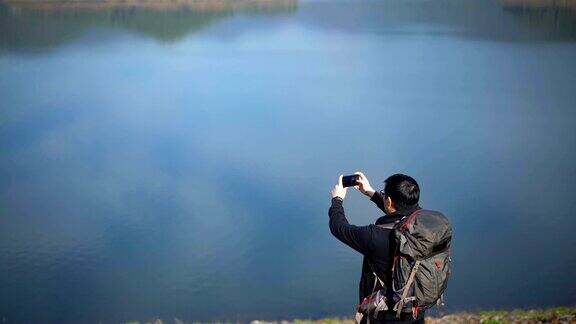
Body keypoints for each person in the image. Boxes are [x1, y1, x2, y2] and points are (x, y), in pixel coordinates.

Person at [328, 172, 425, 323]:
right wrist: (370, 193)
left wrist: (337, 199)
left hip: (386, 314)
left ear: (390, 200)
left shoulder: (375, 237)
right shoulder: (423, 224)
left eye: (384, 194)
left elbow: (338, 227)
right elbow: (399, 215)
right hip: (415, 309)